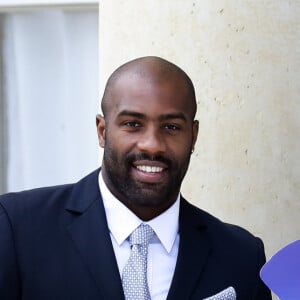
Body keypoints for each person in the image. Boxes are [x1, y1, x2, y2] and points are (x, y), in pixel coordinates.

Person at [0, 56, 271, 300]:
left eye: (171, 127)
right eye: (132, 124)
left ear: (194, 136)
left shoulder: (241, 255)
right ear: (102, 131)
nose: (152, 144)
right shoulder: (16, 229)